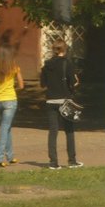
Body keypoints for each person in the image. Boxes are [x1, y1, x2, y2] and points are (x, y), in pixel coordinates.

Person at [39, 40, 82, 170]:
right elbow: (73, 82)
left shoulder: (46, 65)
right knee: (69, 130)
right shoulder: (67, 64)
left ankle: (53, 162)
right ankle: (72, 160)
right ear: (65, 50)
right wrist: (76, 82)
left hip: (51, 100)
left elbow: (43, 84)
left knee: (53, 131)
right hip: (65, 101)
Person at [0, 44, 24, 168]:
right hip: (10, 100)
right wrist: (13, 89)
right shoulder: (14, 67)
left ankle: (10, 156)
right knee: (4, 129)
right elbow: (21, 85)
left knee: (6, 128)